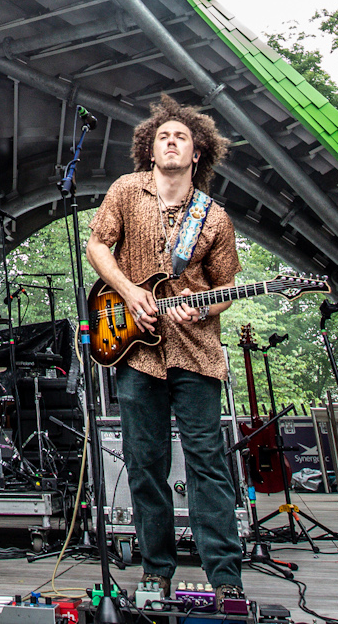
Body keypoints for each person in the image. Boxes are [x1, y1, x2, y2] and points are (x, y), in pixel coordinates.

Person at [85, 94, 243, 603]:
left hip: (197, 352)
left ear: (198, 152)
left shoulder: (214, 217)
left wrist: (203, 310)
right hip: (136, 351)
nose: (171, 142)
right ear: (149, 149)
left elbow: (224, 287)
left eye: (181, 137)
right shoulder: (126, 190)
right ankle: (156, 570)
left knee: (207, 462)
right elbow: (97, 245)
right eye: (163, 136)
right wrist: (129, 292)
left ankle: (225, 577)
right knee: (145, 462)